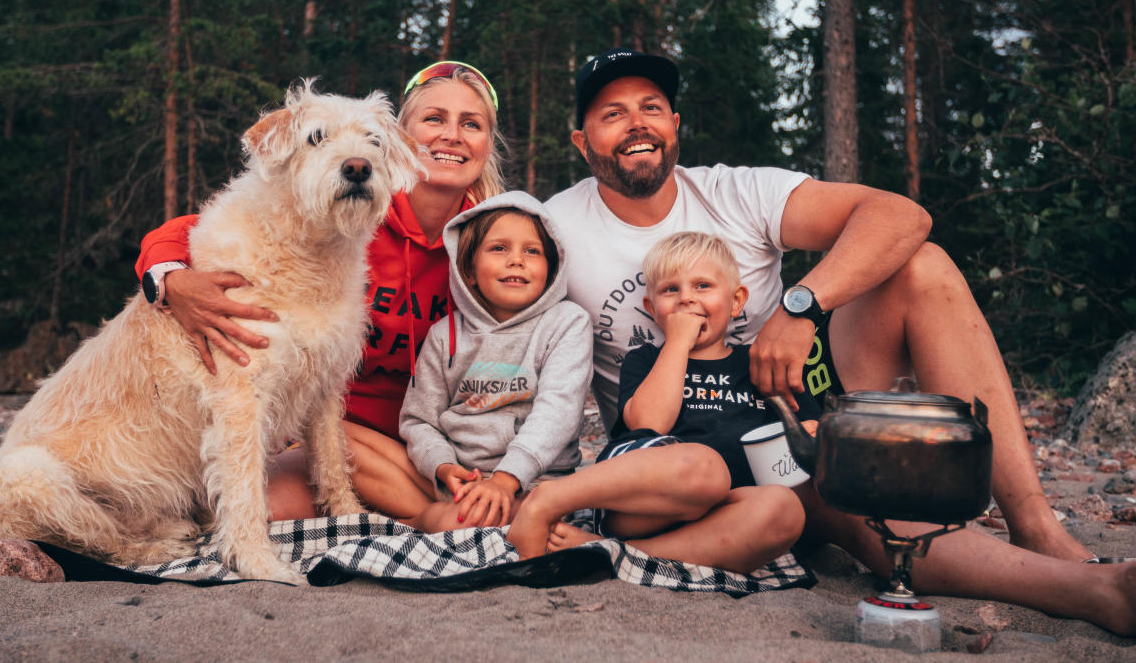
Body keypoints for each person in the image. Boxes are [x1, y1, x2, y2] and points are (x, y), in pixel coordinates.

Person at [528, 46, 1136, 639]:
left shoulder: (737, 191)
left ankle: (1045, 534)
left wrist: (800, 307)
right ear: (583, 141)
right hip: (676, 463)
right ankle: (1104, 589)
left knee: (921, 266)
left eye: (651, 107)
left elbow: (901, 215)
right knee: (820, 502)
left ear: (675, 123)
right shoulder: (557, 227)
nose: (636, 122)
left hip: (783, 424)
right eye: (613, 113)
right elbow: (496, 311)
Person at [133, 62, 507, 521]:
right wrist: (171, 278)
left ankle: (429, 517)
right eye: (434, 119)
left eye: (472, 124)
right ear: (401, 139)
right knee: (274, 508)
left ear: (488, 145)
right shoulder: (346, 212)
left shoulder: (497, 236)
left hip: (438, 439)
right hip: (347, 433)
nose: (451, 135)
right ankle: (434, 519)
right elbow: (189, 230)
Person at [507, 232, 807, 574]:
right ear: (652, 308)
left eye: (703, 286)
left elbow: (804, 434)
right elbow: (650, 424)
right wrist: (677, 342)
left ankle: (612, 553)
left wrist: (809, 431)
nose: (686, 299)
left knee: (785, 509)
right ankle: (548, 500)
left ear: (737, 301)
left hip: (721, 513)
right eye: (670, 290)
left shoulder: (756, 364)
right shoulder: (646, 359)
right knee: (706, 468)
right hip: (643, 504)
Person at [399, 191, 592, 532]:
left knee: (478, 520)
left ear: (552, 269)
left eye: (532, 251)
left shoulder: (567, 322)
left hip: (537, 484)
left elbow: (558, 412)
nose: (517, 260)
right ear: (468, 271)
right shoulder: (445, 335)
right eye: (499, 248)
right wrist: (443, 467)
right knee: (347, 443)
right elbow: (419, 421)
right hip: (462, 482)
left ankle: (420, 523)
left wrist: (506, 479)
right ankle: (428, 518)